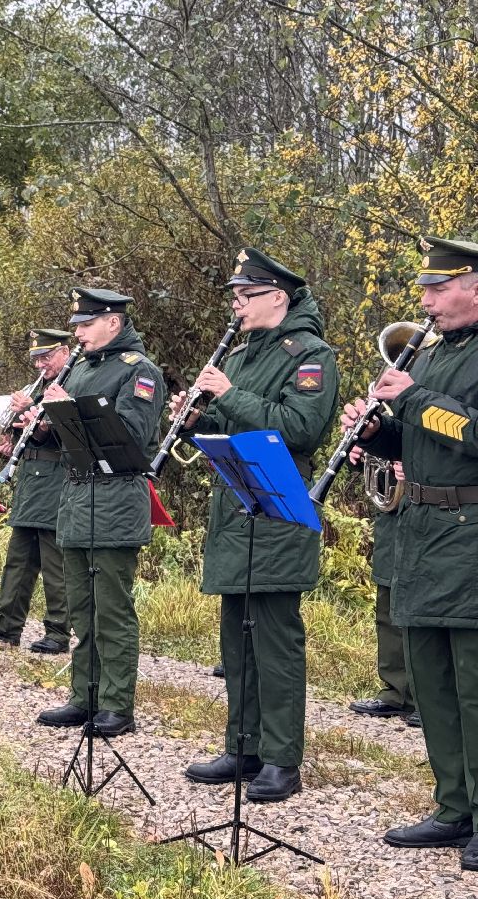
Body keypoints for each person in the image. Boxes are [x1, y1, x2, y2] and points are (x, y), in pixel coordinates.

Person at [172, 249, 338, 802]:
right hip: (235, 506)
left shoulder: (310, 356)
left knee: (275, 640)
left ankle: (281, 759)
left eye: (247, 295)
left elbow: (300, 429)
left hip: (277, 511)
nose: (237, 305)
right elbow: (230, 422)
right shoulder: (242, 355)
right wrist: (198, 416)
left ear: (278, 298)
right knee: (237, 637)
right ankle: (241, 746)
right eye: (236, 296)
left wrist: (227, 395)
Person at [343, 235, 478, 870]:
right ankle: (453, 807)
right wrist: (377, 429)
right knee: (433, 682)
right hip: (422, 530)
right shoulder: (432, 353)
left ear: (473, 284)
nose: (425, 300)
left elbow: (471, 433)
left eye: (437, 287)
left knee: (474, 685)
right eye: (424, 288)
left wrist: (412, 399)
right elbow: (418, 437)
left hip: (470, 531)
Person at [36, 289, 165, 737]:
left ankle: (116, 704)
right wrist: (40, 426)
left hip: (115, 499)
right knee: (82, 608)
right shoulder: (80, 369)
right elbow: (66, 442)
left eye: (86, 324)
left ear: (113, 322)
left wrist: (66, 409)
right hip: (75, 501)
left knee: (112, 609)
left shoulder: (139, 372)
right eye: (76, 325)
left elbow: (130, 434)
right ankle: (83, 695)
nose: (78, 333)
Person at [0, 329, 73, 653]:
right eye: (36, 358)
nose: (41, 363)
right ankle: (7, 624)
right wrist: (11, 444)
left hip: (57, 480)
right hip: (31, 481)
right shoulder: (40, 387)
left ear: (65, 352)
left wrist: (35, 406)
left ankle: (57, 633)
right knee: (19, 558)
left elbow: (70, 430)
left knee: (55, 562)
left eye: (47, 356)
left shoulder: (72, 383)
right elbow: (36, 435)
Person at [349, 459, 417, 722]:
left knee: (426, 613)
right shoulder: (386, 413)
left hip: (434, 507)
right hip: (393, 515)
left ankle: (429, 699)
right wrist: (365, 450)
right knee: (387, 607)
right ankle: (397, 692)